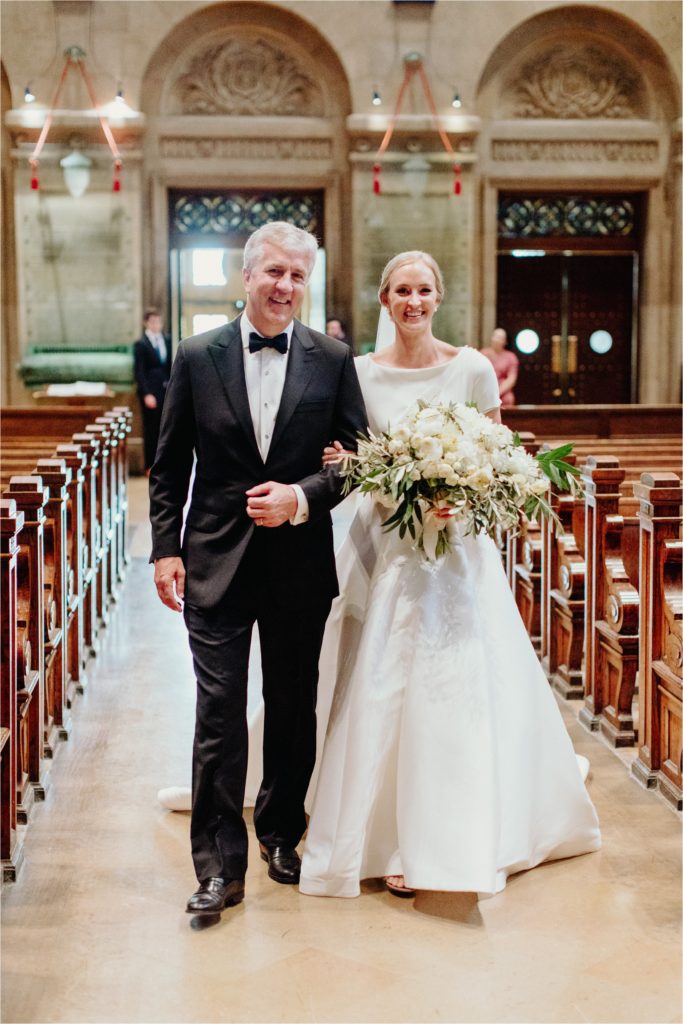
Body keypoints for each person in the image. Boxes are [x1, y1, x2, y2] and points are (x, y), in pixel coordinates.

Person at [298, 251, 601, 899]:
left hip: (457, 547)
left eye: (424, 290)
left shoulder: (470, 367)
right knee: (375, 677)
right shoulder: (357, 373)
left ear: (438, 297)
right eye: (401, 291)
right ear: (384, 300)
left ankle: (443, 831)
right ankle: (372, 824)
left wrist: (459, 495)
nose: (413, 301)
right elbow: (348, 457)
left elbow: (495, 453)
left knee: (454, 679)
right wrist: (368, 474)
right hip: (383, 543)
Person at [149, 221, 367, 917]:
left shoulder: (332, 358)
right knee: (217, 714)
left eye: (298, 276)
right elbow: (168, 463)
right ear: (245, 277)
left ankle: (280, 833)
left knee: (292, 707)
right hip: (213, 557)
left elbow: (357, 462)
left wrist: (301, 498)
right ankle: (217, 866)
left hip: (298, 562)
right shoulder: (196, 354)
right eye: (273, 272)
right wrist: (164, 548)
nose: (285, 286)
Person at [133, 308, 172, 473]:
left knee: (166, 427)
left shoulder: (168, 340)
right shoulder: (141, 344)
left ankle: (165, 463)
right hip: (151, 391)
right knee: (151, 429)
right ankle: (150, 464)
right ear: (146, 323)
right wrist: (146, 393)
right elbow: (139, 371)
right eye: (153, 321)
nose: (157, 325)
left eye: (159, 321)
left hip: (165, 388)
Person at [481, 326, 519, 407]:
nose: (496, 339)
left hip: (503, 393)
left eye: (500, 338)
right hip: (484, 390)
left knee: (508, 399)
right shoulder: (482, 354)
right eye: (495, 336)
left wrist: (498, 392)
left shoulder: (511, 357)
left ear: (505, 341)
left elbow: (512, 378)